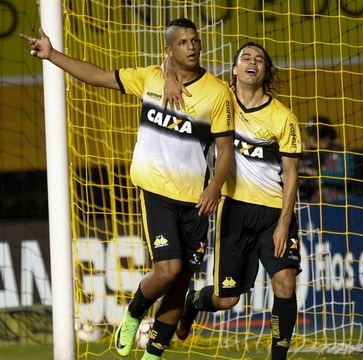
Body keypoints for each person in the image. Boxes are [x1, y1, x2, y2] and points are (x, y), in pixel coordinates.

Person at [20, 18, 235, 360]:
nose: (192, 46)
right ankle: (134, 313)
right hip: (157, 193)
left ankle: (153, 354)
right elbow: (98, 75)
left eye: (194, 40)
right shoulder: (149, 78)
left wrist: (215, 188)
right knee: (168, 270)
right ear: (169, 50)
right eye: (183, 42)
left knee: (180, 284)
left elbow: (225, 149)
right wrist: (52, 54)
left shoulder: (218, 92)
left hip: (196, 200)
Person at [164, 42, 302, 360]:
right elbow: (179, 70)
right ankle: (192, 303)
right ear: (235, 69)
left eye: (260, 60)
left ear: (265, 71)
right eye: (246, 58)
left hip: (274, 215)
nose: (253, 63)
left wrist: (283, 223)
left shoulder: (283, 117)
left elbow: (292, 174)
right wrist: (170, 75)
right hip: (234, 212)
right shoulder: (217, 101)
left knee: (285, 283)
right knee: (227, 300)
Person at [298, 116, 355, 203]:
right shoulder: (307, 155)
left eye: (320, 136)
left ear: (329, 135)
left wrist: (316, 173)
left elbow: (346, 177)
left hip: (341, 202)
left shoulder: (342, 153)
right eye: (313, 136)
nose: (316, 140)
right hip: (314, 204)